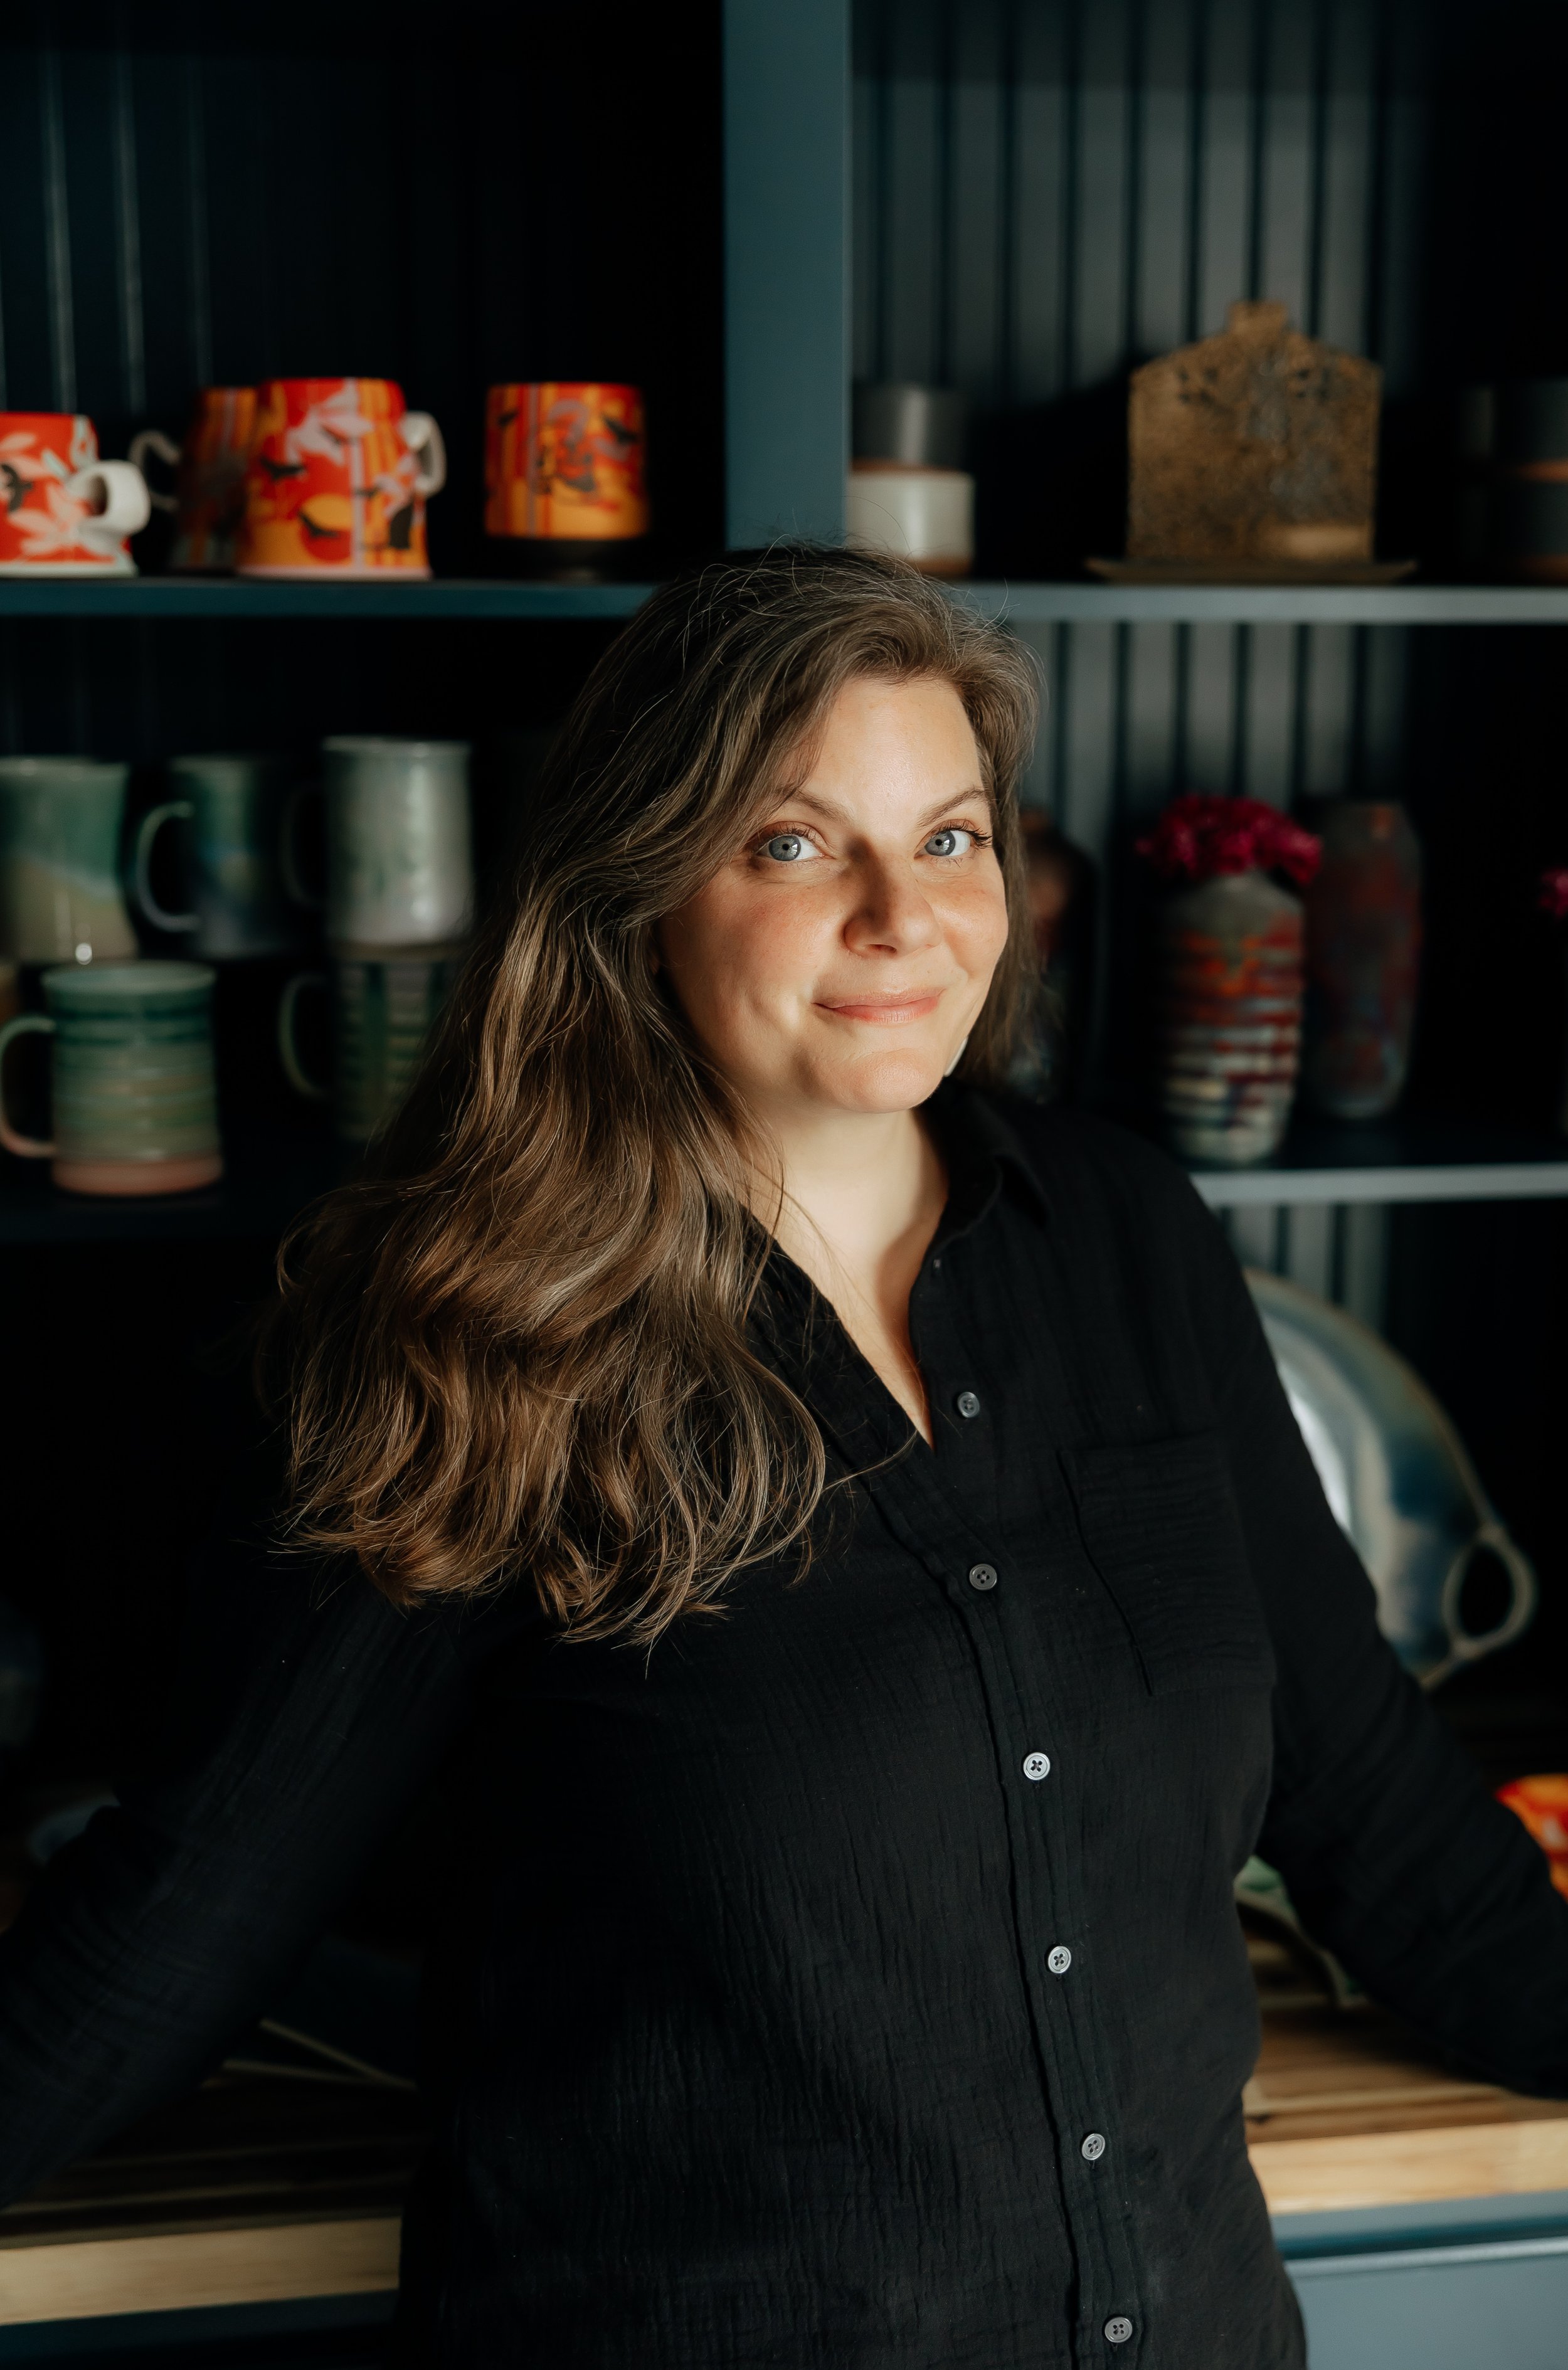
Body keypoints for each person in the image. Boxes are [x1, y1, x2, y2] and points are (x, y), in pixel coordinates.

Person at [1, 544, 1565, 2369]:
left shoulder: (1124, 1232)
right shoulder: (489, 1326)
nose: (904, 914)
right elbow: (194, 1904)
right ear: (636, 886)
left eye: (953, 836)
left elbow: (1368, 1794)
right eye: (795, 842)